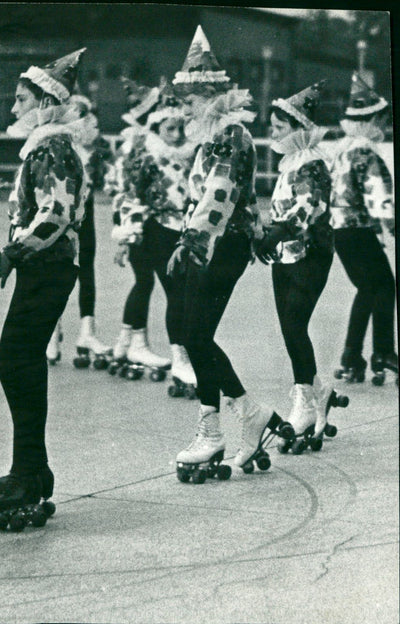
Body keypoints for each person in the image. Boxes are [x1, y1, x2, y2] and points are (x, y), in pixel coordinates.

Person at [167, 26, 293, 483]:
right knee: (193, 332)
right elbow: (228, 196)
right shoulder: (218, 136)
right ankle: (239, 416)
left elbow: (220, 195)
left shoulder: (230, 134)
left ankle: (226, 423)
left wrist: (190, 240)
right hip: (217, 243)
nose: (184, 108)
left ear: (210, 96)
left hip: (221, 245)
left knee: (195, 334)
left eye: (189, 100)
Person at [0, 49, 88, 526]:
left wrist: (14, 251)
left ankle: (30, 469)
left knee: (14, 359)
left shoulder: (53, 149)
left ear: (45, 101)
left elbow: (56, 213)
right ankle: (32, 467)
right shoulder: (46, 147)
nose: (12, 109)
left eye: (20, 99)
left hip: (49, 267)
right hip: (43, 268)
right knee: (19, 360)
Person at [262, 82, 349, 453]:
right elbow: (282, 208)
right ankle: (319, 392)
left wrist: (275, 233)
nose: (272, 132)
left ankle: (306, 406)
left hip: (310, 255)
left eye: (279, 126)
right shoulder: (289, 163)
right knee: (289, 329)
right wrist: (266, 236)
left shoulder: (312, 163)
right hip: (286, 254)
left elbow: (309, 207)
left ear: (298, 128)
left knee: (295, 325)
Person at [107, 80, 198, 392]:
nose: (175, 135)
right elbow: (131, 197)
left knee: (174, 290)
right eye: (169, 129)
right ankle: (177, 357)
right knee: (171, 289)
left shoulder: (188, 157)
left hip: (179, 229)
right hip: (154, 230)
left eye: (180, 129)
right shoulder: (147, 157)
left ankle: (133, 344)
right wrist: (125, 237)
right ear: (157, 127)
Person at [329, 72, 396, 386]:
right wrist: (391, 225)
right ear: (368, 121)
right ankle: (382, 352)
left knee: (370, 289)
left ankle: (353, 356)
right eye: (380, 121)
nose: (382, 127)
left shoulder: (343, 150)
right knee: (383, 286)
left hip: (341, 230)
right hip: (358, 229)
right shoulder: (366, 153)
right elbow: (377, 192)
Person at [45, 93, 113, 370]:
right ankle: (52, 330)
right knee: (59, 273)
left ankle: (87, 330)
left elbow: (107, 175)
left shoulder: (93, 149)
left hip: (86, 216)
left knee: (87, 270)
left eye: (83, 116)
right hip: (63, 218)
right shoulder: (57, 147)